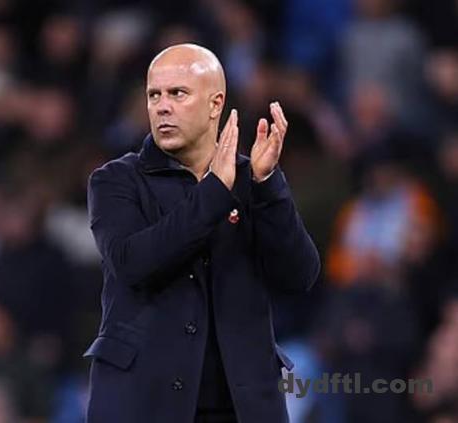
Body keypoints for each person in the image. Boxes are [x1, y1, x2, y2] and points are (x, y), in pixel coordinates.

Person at [84, 43, 320, 423]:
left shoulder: (252, 181)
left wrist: (267, 185)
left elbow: (299, 275)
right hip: (145, 404)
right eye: (154, 95)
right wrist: (215, 192)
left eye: (177, 93)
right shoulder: (116, 180)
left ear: (215, 104)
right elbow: (132, 263)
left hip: (241, 406)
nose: (162, 106)